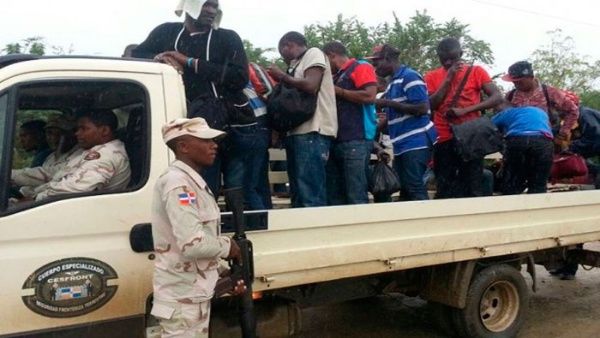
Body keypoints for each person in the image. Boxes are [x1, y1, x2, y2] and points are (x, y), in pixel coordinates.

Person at [132, 0, 254, 197]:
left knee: (239, 190)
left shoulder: (227, 37)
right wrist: (160, 58)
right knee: (200, 186)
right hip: (187, 125)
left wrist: (189, 62)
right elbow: (137, 55)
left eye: (215, 6)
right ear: (190, 5)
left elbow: (239, 78)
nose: (212, 11)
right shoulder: (166, 32)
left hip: (233, 125)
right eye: (206, 5)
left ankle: (241, 226)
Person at [151, 117, 244, 338]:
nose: (214, 145)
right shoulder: (179, 183)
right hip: (183, 299)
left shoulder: (191, 182)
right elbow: (193, 244)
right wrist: (228, 246)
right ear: (183, 146)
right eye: (206, 140)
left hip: (191, 294)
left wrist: (225, 274)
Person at [424, 37, 503, 198]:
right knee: (445, 184)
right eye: (443, 59)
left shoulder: (476, 71)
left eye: (453, 58)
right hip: (443, 135)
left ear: (461, 53)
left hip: (470, 135)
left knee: (473, 183)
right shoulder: (431, 76)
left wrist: (466, 110)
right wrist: (448, 78)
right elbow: (432, 104)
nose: (448, 62)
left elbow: (496, 97)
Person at [267, 32, 337, 207]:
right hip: (297, 132)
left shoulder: (313, 53)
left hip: (313, 130)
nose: (284, 59)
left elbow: (311, 85)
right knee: (298, 191)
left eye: (282, 52)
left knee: (310, 191)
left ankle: (316, 232)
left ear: (288, 45)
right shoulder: (295, 64)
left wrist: (281, 76)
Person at [371, 44, 436, 201]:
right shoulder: (394, 82)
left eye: (376, 62)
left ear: (387, 59)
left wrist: (388, 103)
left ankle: (426, 222)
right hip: (403, 143)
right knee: (405, 188)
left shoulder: (410, 76)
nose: (374, 67)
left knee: (413, 185)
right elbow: (393, 117)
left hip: (416, 141)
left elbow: (423, 108)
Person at [322, 41, 377, 205]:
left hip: (356, 138)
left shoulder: (361, 66)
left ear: (332, 55)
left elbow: (369, 96)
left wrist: (339, 91)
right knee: (336, 195)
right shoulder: (337, 75)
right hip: (337, 139)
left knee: (356, 193)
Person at [32, 110, 130, 201]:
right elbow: (58, 174)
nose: (77, 133)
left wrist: (37, 198)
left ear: (104, 130)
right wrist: (32, 192)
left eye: (84, 129)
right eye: (77, 129)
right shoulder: (87, 151)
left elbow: (77, 188)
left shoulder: (107, 154)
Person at [502, 60, 579, 150]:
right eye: (514, 82)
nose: (516, 84)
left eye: (519, 82)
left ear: (530, 77)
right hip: (516, 141)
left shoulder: (550, 92)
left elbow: (573, 110)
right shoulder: (510, 96)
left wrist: (563, 132)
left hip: (545, 141)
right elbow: (503, 116)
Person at [491, 101, 554, 195]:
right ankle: (537, 205)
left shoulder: (506, 113)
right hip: (543, 142)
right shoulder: (540, 111)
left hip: (518, 141)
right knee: (539, 183)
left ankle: (512, 203)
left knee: (512, 182)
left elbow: (489, 126)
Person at [11, 116, 81, 194]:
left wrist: (10, 175)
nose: (54, 138)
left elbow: (46, 176)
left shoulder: (78, 156)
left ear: (72, 135)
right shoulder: (50, 157)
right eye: (49, 133)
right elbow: (36, 185)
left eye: (60, 134)